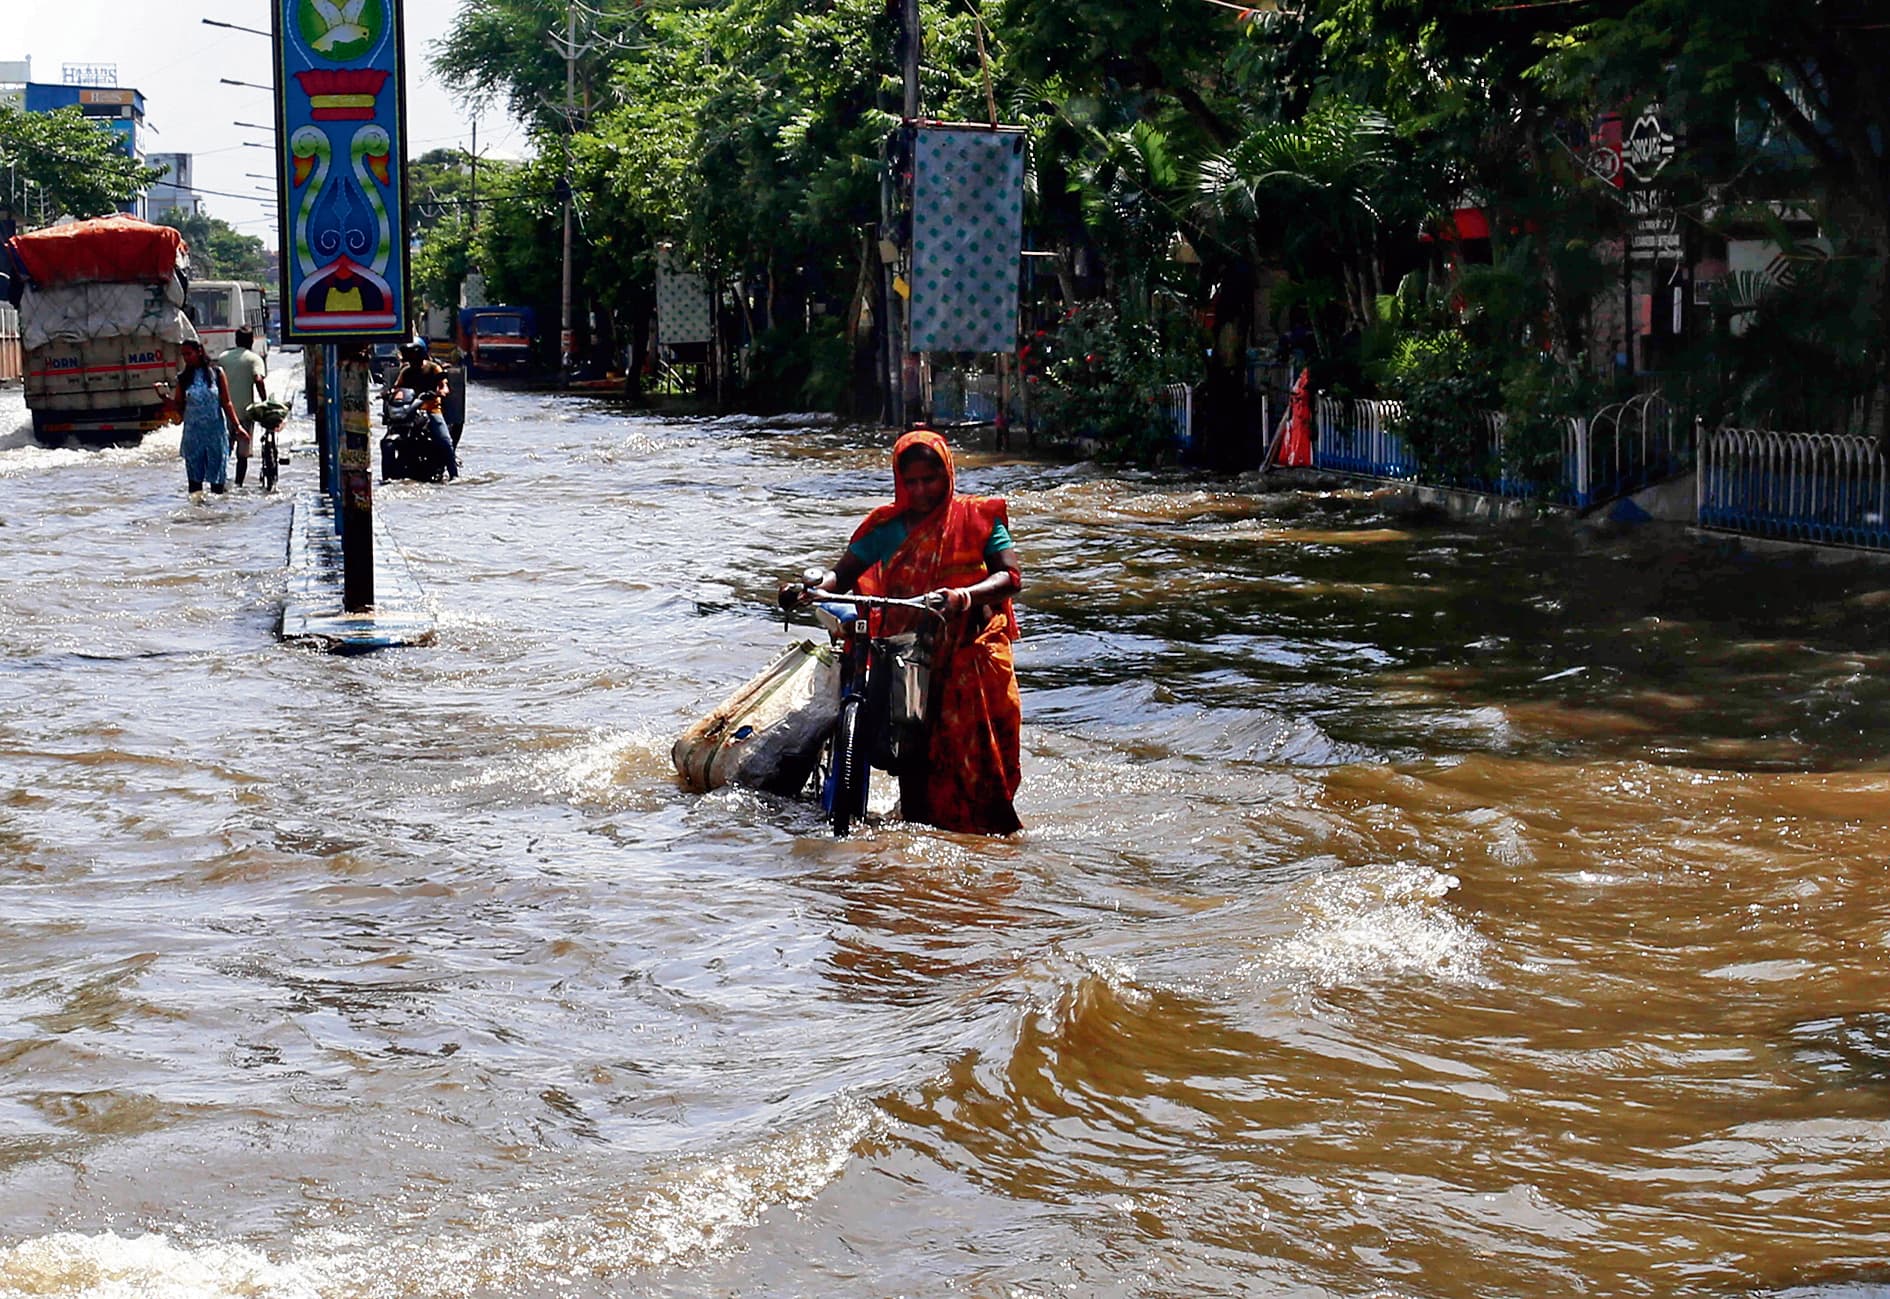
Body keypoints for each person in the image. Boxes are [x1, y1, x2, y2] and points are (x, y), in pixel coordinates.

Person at [782, 429, 1024, 834]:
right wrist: (809, 589)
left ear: (947, 474)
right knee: (916, 751)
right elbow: (840, 576)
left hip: (975, 656)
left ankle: (991, 843)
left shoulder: (980, 518)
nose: (920, 490)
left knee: (986, 759)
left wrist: (963, 597)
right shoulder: (885, 528)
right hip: (914, 658)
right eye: (910, 481)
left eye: (929, 479)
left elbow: (1010, 576)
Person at [158, 337, 244, 501]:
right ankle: (197, 518)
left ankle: (218, 518)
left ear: (199, 352)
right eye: (183, 355)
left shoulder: (217, 374)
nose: (186, 358)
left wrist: (237, 426)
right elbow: (178, 406)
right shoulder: (183, 378)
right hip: (194, 435)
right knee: (195, 486)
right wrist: (163, 397)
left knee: (217, 483)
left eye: (189, 354)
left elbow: (226, 402)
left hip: (215, 433)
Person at [390, 340, 458, 480]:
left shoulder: (434, 368)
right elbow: (397, 388)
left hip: (431, 409)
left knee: (445, 440)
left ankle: (454, 474)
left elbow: (444, 386)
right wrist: (389, 394)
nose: (413, 363)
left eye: (414, 359)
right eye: (410, 360)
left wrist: (440, 392)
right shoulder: (406, 371)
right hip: (409, 410)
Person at [215, 328, 268, 487]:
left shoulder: (223, 358)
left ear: (236, 340)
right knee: (242, 455)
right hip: (245, 414)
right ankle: (238, 484)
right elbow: (258, 379)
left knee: (224, 450)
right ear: (251, 340)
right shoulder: (254, 359)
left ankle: (220, 482)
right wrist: (264, 402)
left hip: (224, 413)